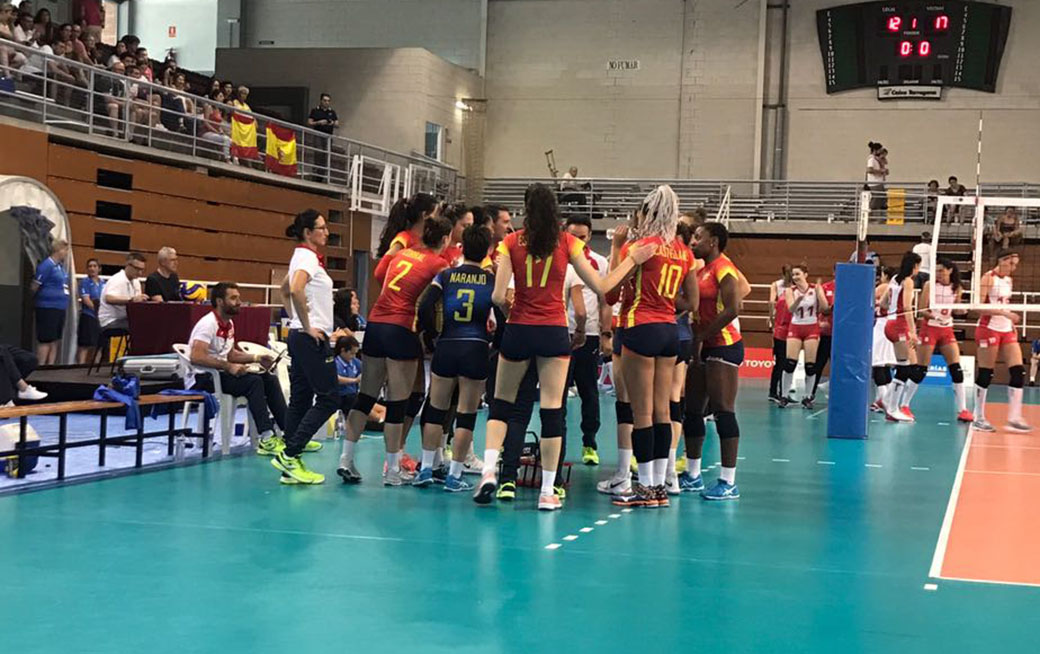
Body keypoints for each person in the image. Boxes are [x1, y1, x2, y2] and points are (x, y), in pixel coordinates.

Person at [474, 183, 651, 511]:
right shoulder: (567, 242)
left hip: (518, 329)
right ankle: (547, 491)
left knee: (502, 405)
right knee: (552, 410)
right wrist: (632, 260)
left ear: (526, 209)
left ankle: (488, 471)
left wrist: (513, 314)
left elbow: (498, 296)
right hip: (554, 332)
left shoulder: (510, 242)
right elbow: (602, 286)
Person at [336, 215, 452, 486]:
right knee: (398, 403)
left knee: (365, 397)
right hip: (402, 327)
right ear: (445, 239)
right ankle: (392, 470)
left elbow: (380, 273)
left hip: (376, 324)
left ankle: (345, 459)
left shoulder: (402, 254)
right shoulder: (440, 264)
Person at [608, 185, 698, 509]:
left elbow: (610, 293)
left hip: (639, 327)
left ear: (647, 213)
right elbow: (692, 302)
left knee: (641, 412)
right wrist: (665, 302)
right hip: (670, 330)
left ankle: (644, 487)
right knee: (663, 411)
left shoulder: (638, 247)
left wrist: (616, 249)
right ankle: (660, 487)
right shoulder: (684, 252)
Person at [416, 224, 499, 491]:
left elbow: (425, 306)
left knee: (436, 410)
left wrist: (431, 335)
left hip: (448, 345)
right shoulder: (491, 280)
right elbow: (501, 314)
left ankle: (426, 468)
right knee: (466, 414)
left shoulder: (446, 275)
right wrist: (495, 343)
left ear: (462, 247)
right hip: (475, 347)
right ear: (487, 250)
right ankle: (454, 475)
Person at [273, 209, 347, 485]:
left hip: (300, 337)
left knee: (301, 399)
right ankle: (290, 453)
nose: (327, 232)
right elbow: (295, 289)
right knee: (330, 398)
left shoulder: (303, 257)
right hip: (310, 338)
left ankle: (289, 465)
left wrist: (296, 321)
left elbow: (284, 290)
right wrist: (306, 325)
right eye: (321, 228)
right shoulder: (305, 257)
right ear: (307, 232)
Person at [680, 222, 748, 500]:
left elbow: (734, 308)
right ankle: (692, 475)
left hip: (724, 345)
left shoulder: (724, 269)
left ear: (714, 241)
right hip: (703, 346)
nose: (694, 241)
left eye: (699, 237)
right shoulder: (700, 270)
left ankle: (728, 481)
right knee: (693, 410)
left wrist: (702, 336)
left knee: (723, 410)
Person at [186, 282, 289, 450]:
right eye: (233, 298)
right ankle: (267, 436)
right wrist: (228, 367)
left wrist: (257, 358)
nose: (239, 302)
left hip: (221, 374)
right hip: (203, 378)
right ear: (220, 301)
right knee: (254, 382)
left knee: (268, 379)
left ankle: (289, 433)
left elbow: (231, 354)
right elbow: (196, 356)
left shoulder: (229, 324)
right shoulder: (208, 324)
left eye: (238, 298)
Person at [561, 214, 610, 466]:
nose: (578, 241)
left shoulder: (599, 262)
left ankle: (589, 443)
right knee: (557, 393)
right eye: (573, 236)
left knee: (589, 391)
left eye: (582, 237)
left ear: (590, 236)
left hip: (588, 334)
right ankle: (557, 445)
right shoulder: (557, 257)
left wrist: (606, 333)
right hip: (560, 332)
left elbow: (605, 300)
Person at [973, 249, 1030, 433]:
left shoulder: (1008, 280)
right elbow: (978, 307)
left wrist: (1009, 321)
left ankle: (1014, 417)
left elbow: (1004, 304)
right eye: (1011, 263)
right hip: (988, 328)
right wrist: (1005, 314)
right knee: (986, 373)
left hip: (1006, 329)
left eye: (1016, 265)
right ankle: (978, 417)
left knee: (1019, 371)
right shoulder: (988, 278)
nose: (1013, 268)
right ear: (1002, 261)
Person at [915, 259, 972, 422]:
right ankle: (903, 404)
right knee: (921, 370)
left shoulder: (957, 288)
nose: (938, 274)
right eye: (937, 271)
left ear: (950, 271)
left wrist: (963, 309)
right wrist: (934, 316)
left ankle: (963, 410)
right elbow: (921, 309)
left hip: (947, 329)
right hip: (930, 328)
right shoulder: (930, 285)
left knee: (956, 369)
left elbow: (956, 309)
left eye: (941, 271)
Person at [779, 264, 829, 409]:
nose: (795, 277)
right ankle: (784, 395)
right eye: (793, 275)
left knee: (810, 365)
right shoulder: (790, 290)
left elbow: (825, 308)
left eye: (798, 274)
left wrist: (820, 294)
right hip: (795, 327)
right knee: (790, 363)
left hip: (811, 327)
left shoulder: (815, 288)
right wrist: (798, 300)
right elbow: (790, 309)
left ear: (805, 275)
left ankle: (807, 397)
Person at [881, 252, 921, 422]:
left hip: (889, 324)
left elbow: (883, 303)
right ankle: (892, 409)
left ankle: (886, 401)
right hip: (899, 325)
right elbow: (906, 307)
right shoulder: (908, 281)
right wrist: (913, 331)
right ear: (915, 266)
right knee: (904, 368)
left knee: (908, 366)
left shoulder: (894, 279)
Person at [372, 193, 439, 284]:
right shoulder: (404, 238)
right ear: (425, 215)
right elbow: (380, 272)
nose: (439, 219)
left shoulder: (426, 241)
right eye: (436, 213)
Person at [32, 239, 70, 365]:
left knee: (55, 339)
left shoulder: (60, 267)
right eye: (65, 250)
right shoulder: (46, 265)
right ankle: (40, 367)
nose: (66, 253)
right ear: (59, 250)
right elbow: (35, 286)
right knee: (46, 339)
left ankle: (51, 366)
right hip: (47, 307)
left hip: (60, 307)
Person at [869, 267, 898, 414]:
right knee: (885, 365)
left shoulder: (883, 287)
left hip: (881, 325)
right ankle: (883, 400)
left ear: (886, 275)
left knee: (878, 364)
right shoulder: (897, 288)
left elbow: (868, 301)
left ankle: (884, 400)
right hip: (890, 323)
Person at [98, 252, 148, 332]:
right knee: (140, 327)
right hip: (110, 320)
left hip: (124, 319)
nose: (140, 273)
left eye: (142, 270)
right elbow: (109, 298)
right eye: (137, 269)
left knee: (148, 323)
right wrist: (131, 300)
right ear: (128, 265)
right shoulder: (118, 279)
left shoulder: (136, 282)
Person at [768, 265, 793, 403]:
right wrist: (772, 318)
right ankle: (776, 392)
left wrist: (771, 318)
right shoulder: (781, 288)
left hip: (785, 326)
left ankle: (780, 391)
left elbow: (771, 302)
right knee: (782, 361)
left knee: (782, 361)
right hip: (783, 327)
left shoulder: (793, 288)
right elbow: (771, 302)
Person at [812, 270, 837, 401]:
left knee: (838, 366)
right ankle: (810, 394)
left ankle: (836, 393)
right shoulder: (825, 287)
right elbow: (823, 309)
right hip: (825, 332)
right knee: (818, 364)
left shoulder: (849, 289)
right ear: (834, 273)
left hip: (840, 335)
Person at [76, 258, 103, 364]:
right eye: (90, 266)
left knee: (99, 345)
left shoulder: (103, 283)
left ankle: (96, 366)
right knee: (85, 345)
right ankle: (80, 367)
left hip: (100, 318)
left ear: (99, 269)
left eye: (94, 266)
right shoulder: (85, 282)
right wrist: (96, 310)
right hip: (88, 316)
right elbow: (86, 299)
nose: (92, 268)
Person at [200, 89, 232, 161]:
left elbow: (219, 125)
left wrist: (221, 131)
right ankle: (227, 159)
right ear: (215, 97)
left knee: (231, 141)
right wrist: (216, 131)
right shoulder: (209, 107)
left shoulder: (219, 110)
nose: (222, 98)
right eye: (220, 96)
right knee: (226, 139)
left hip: (216, 133)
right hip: (207, 132)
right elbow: (206, 122)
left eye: (223, 96)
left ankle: (226, 157)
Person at [334, 335, 362, 416]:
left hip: (354, 395)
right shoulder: (335, 363)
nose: (354, 356)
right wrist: (355, 380)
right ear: (343, 350)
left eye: (355, 354)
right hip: (343, 397)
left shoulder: (354, 361)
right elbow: (336, 379)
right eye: (352, 353)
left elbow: (366, 369)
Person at [866, 141, 887, 212]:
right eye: (880, 150)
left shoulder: (876, 159)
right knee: (876, 199)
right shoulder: (871, 159)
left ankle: (877, 214)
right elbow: (869, 170)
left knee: (882, 199)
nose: (881, 152)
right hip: (874, 183)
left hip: (878, 182)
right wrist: (881, 171)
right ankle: (870, 213)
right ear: (875, 150)